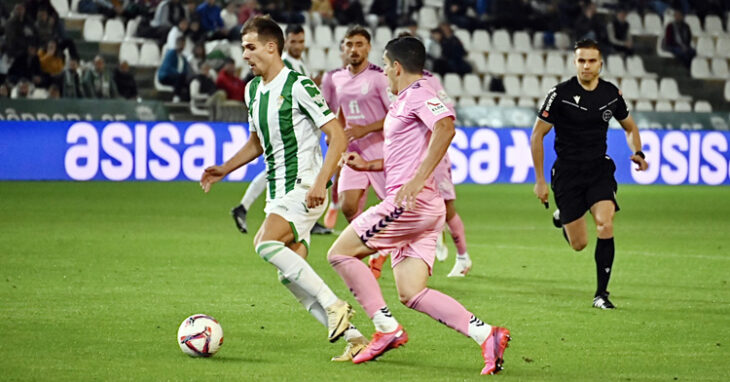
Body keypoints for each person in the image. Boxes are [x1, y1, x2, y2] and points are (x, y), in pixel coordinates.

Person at [328, 36, 511, 374]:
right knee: (411, 292)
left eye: (384, 65)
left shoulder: (423, 92)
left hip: (411, 204)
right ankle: (487, 335)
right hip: (422, 208)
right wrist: (367, 166)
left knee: (339, 253)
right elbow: (403, 153)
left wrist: (417, 180)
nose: (382, 72)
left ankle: (386, 329)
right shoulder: (402, 100)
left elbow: (445, 128)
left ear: (397, 67)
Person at [199, 15, 368, 362]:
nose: (244, 55)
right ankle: (356, 339)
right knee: (290, 278)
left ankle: (335, 305)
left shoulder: (298, 85)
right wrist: (225, 168)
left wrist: (322, 181)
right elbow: (257, 142)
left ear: (271, 47)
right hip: (279, 191)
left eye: (250, 47)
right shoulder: (251, 90)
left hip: (305, 185)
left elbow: (336, 135)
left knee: (264, 243)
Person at [530, 39, 649, 310]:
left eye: (591, 61)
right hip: (568, 173)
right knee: (579, 244)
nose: (586, 65)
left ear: (600, 64)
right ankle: (563, 218)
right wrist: (540, 180)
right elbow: (537, 135)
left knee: (605, 224)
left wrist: (638, 152)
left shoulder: (610, 94)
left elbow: (630, 128)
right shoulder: (559, 94)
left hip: (598, 169)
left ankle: (601, 295)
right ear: (575, 63)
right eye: (581, 60)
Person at [230, 22, 332, 235]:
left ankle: (246, 207)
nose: (298, 45)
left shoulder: (299, 69)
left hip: (301, 172)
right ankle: (245, 206)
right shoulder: (277, 67)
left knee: (268, 244)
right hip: (286, 159)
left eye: (301, 41)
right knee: (272, 246)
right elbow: (255, 142)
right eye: (294, 41)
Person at [322, 26, 392, 277]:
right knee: (349, 206)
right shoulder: (334, 79)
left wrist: (366, 129)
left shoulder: (379, 78)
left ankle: (397, 249)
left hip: (380, 149)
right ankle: (374, 247)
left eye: (359, 44)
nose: (354, 49)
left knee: (395, 207)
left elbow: (395, 116)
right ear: (343, 48)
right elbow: (332, 112)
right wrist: (335, 135)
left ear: (369, 47)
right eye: (349, 44)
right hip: (352, 150)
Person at [158, 36, 191, 101]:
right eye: (180, 44)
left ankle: (188, 100)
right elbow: (168, 67)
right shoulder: (171, 53)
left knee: (188, 82)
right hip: (166, 76)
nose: (181, 46)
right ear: (176, 44)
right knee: (180, 77)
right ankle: (176, 96)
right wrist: (178, 73)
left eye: (183, 44)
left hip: (179, 77)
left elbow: (185, 69)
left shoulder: (183, 57)